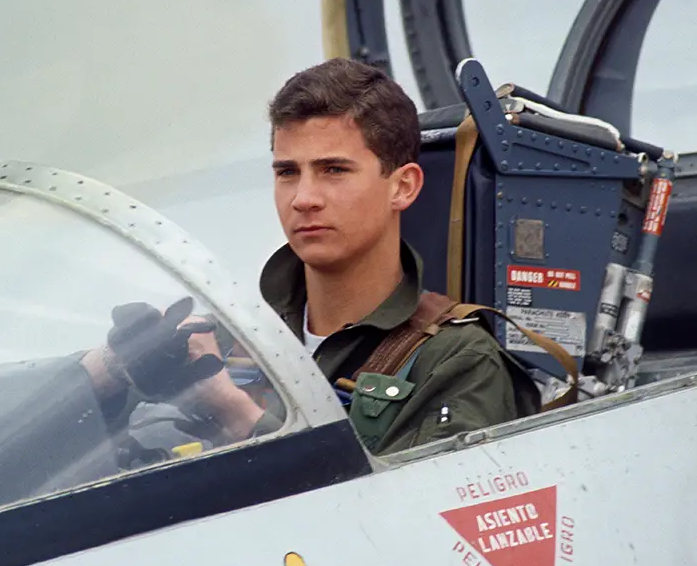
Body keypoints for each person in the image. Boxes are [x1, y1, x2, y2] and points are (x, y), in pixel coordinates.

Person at [80, 58, 530, 457]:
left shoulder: (458, 364)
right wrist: (111, 371)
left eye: (334, 170)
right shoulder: (232, 337)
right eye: (287, 173)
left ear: (403, 186)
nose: (304, 198)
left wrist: (232, 412)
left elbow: (406, 533)